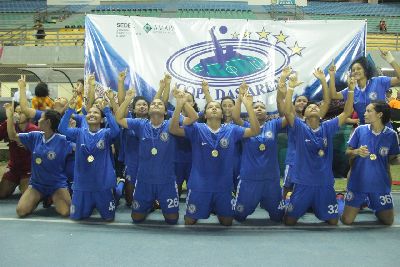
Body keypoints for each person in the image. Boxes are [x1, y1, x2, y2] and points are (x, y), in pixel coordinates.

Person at [169, 88, 260, 226]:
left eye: (217, 107)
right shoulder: (197, 128)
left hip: (223, 186)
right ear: (205, 114)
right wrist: (179, 105)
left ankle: (214, 208)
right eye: (210, 107)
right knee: (189, 221)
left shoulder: (232, 129)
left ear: (222, 114)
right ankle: (205, 207)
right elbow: (173, 129)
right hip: (199, 185)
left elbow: (255, 130)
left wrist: (248, 106)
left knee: (227, 222)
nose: (214, 109)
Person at [116, 89, 198, 224]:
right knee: (136, 218)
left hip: (167, 182)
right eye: (153, 104)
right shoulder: (140, 124)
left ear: (165, 112)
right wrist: (127, 99)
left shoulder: (171, 123)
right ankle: (149, 204)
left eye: (160, 104)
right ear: (148, 111)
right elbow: (118, 118)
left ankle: (153, 204)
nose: (156, 105)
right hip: (144, 181)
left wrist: (182, 103)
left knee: (172, 220)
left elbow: (194, 117)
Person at [283, 72, 354, 226]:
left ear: (321, 114)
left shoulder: (328, 127)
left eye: (316, 106)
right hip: (303, 183)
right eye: (310, 108)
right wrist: (290, 88)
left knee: (333, 222)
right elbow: (287, 111)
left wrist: (351, 89)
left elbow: (347, 112)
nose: (314, 108)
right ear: (304, 115)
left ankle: (320, 205)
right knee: (289, 221)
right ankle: (305, 204)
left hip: (324, 183)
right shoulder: (300, 127)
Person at [231, 81, 288, 222]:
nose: (258, 109)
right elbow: (235, 117)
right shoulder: (245, 126)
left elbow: (288, 117)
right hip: (249, 179)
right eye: (255, 107)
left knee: (278, 217)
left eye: (262, 107)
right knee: (239, 216)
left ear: (267, 113)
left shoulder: (273, 124)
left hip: (271, 179)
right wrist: (240, 97)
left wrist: (284, 94)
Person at [58, 93, 120, 221]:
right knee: (76, 217)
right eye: (89, 112)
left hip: (102, 186)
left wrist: (107, 111)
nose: (92, 114)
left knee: (108, 218)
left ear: (101, 119)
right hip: (82, 186)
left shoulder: (106, 133)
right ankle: (89, 204)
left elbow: (116, 131)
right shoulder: (79, 132)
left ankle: (119, 187)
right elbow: (62, 129)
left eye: (96, 113)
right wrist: (70, 110)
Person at [5, 104, 73, 217]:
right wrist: (10, 117)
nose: (38, 120)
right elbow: (12, 136)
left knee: (66, 212)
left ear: (48, 122)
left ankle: (52, 197)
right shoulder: (34, 136)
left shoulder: (63, 140)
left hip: (57, 185)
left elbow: (80, 148)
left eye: (41, 118)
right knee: (21, 211)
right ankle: (39, 198)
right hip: (37, 185)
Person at [277, 67, 331, 200]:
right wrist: (285, 80)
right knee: (288, 187)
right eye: (298, 100)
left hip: (312, 161)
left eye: (305, 101)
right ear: (293, 105)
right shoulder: (291, 119)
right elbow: (281, 102)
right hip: (294, 160)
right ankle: (284, 209)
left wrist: (323, 81)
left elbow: (327, 102)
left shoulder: (315, 118)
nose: (302, 102)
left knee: (310, 187)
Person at [342, 101, 400, 225]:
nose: (365, 113)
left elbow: (392, 159)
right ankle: (362, 201)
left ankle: (371, 202)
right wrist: (356, 151)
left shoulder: (392, 135)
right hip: (358, 183)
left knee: (388, 221)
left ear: (379, 114)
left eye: (369, 111)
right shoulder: (359, 130)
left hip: (379, 184)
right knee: (347, 221)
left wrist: (398, 160)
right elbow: (347, 152)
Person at [329, 50, 400, 125]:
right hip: (365, 129)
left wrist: (391, 60)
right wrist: (332, 75)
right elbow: (334, 95)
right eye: (353, 70)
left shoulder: (379, 81)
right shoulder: (351, 90)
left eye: (359, 68)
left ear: (365, 70)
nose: (355, 71)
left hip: (383, 127)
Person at [0, 103, 38, 198]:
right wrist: (9, 119)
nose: (17, 115)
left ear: (28, 115)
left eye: (21, 113)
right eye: (15, 112)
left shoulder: (34, 129)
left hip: (29, 168)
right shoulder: (9, 126)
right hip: (13, 168)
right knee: (2, 193)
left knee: (27, 194)